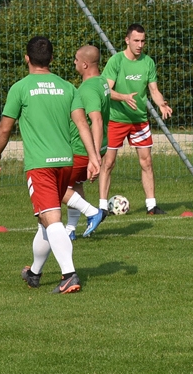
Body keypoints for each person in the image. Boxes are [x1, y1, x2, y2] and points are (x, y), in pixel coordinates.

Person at [0, 36, 100, 294]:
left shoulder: (21, 88)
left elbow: (5, 128)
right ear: (51, 59)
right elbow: (83, 124)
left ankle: (69, 275)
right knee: (44, 221)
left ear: (27, 59)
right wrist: (94, 157)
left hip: (40, 165)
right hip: (65, 162)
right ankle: (35, 273)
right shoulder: (68, 88)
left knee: (52, 220)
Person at [99, 24, 172, 216]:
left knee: (146, 162)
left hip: (139, 120)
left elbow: (154, 90)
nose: (140, 45)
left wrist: (161, 104)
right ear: (127, 40)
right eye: (136, 41)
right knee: (108, 163)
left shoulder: (148, 62)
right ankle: (101, 208)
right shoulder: (116, 61)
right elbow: (106, 90)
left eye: (142, 41)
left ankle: (151, 206)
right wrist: (123, 97)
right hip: (116, 119)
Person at [64, 45, 110, 239]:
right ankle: (71, 230)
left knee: (56, 188)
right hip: (90, 149)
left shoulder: (88, 88)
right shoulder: (102, 82)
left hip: (81, 149)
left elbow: (96, 120)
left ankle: (93, 212)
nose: (74, 62)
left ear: (84, 64)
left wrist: (94, 156)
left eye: (76, 59)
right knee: (75, 185)